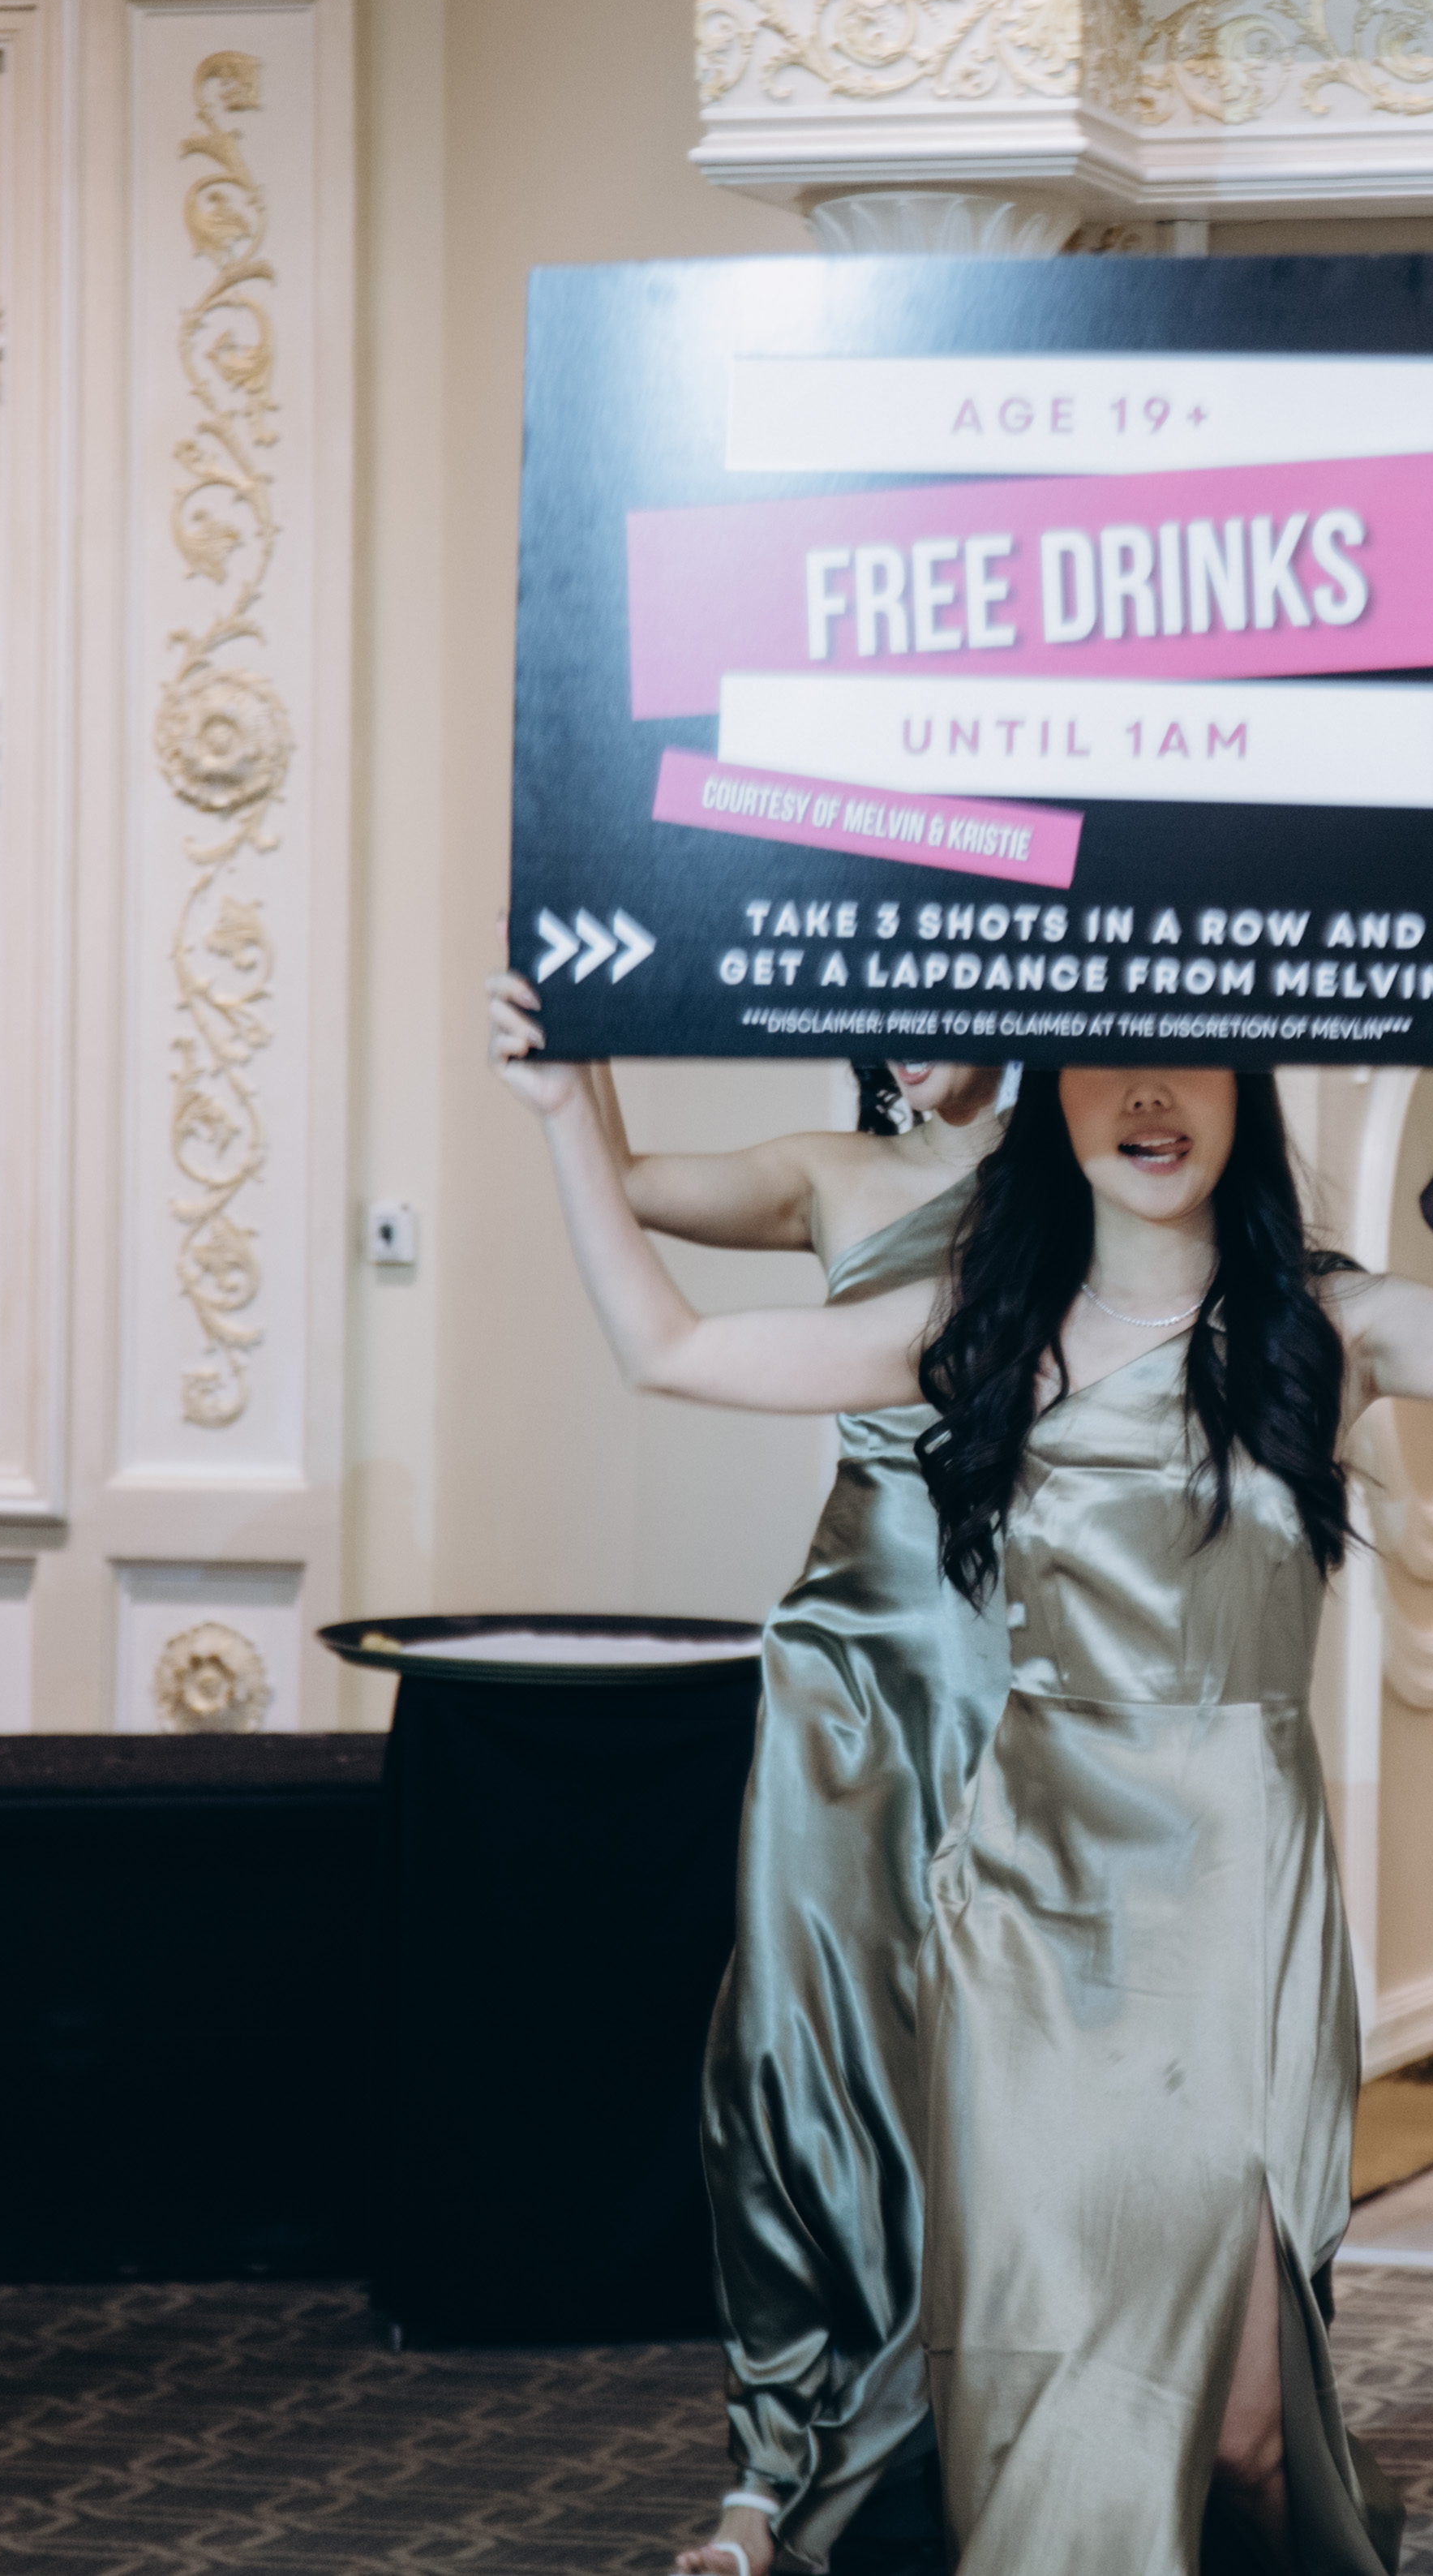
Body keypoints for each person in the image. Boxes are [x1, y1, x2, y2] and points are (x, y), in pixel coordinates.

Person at [491, 974, 1433, 2576]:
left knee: (1250, 2432)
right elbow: (671, 1345)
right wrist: (566, 1106)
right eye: (1104, 1060)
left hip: (1239, 1896)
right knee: (1039, 2364)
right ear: (1050, 1089)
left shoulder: (1325, 1323)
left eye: (1183, 1057)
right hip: (1035, 1904)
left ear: (1243, 1084)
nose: (1145, 1093)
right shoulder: (987, 1330)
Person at [480, 1007, 1010, 2576]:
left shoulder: (1102, 1178)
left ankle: (998, 2433)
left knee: (1002, 2057)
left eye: (938, 1002)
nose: (905, 1041)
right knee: (795, 2044)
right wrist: (572, 1064)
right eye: (881, 1011)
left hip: (1037, 1661)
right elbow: (632, 1185)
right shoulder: (832, 1171)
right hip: (849, 1662)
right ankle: (773, 2467)